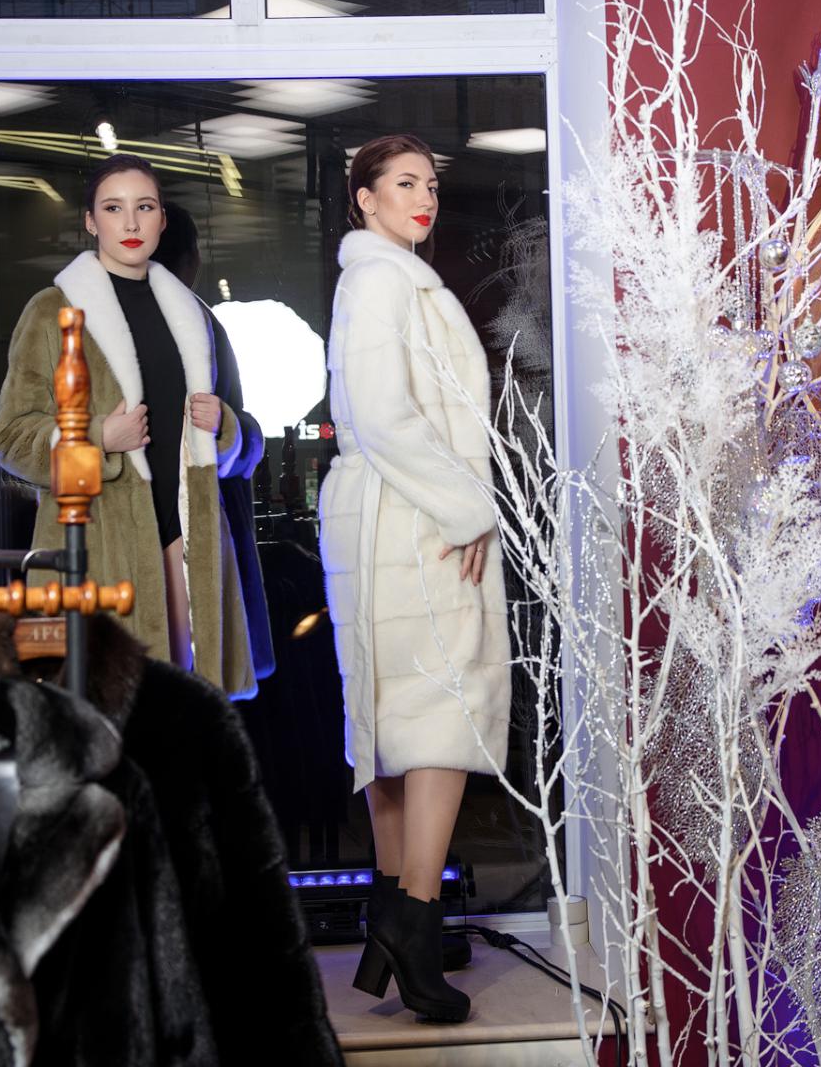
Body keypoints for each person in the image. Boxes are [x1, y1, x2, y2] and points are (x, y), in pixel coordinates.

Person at [319, 133, 507, 1023]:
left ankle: (396, 914)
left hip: (394, 512)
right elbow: (385, 416)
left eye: (430, 184)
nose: (424, 198)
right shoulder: (384, 281)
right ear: (366, 198)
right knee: (441, 712)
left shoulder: (385, 278)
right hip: (415, 514)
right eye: (404, 183)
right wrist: (468, 506)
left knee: (399, 718)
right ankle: (414, 920)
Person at [0, 152, 256, 697]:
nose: (131, 223)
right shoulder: (53, 311)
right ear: (91, 221)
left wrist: (226, 427)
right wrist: (97, 439)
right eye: (113, 208)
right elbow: (10, 437)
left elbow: (241, 441)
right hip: (98, 547)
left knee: (185, 714)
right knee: (104, 711)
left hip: (186, 542)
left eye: (145, 207)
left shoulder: (193, 316)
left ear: (162, 219)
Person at [153, 200, 277, 688]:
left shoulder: (133, 320)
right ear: (191, 258)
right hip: (201, 529)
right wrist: (241, 436)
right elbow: (217, 438)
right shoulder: (193, 321)